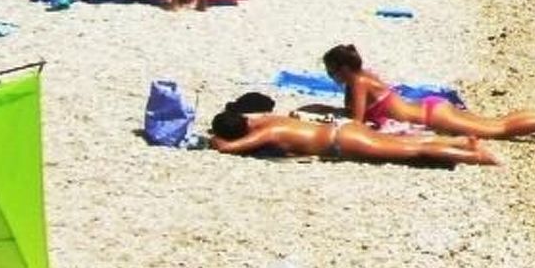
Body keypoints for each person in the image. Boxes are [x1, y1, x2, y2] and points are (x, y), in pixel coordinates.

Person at [322, 45, 535, 143]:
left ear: (344, 69)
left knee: (500, 128)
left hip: (433, 115)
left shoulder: (357, 83)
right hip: (432, 107)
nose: (331, 77)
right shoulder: (365, 75)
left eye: (332, 72)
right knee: (496, 120)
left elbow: (355, 121)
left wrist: (329, 121)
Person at [208, 107, 499, 167]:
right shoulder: (270, 120)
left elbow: (229, 148)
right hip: (345, 128)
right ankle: (461, 142)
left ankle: (475, 157)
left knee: (411, 152)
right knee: (408, 143)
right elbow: (248, 116)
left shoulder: (269, 132)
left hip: (343, 142)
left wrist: (215, 141)